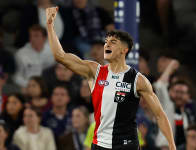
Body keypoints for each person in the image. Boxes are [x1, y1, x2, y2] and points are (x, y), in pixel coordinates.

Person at [46, 6, 176, 150]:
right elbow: (60, 56)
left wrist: (171, 144)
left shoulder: (138, 80)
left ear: (124, 50)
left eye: (112, 42)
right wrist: (50, 26)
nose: (106, 44)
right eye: (106, 41)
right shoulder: (94, 70)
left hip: (127, 145)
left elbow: (159, 114)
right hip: (100, 144)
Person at [13, 24, 55, 89]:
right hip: (28, 86)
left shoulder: (52, 52)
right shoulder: (21, 54)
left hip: (47, 86)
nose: (32, 39)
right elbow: (16, 76)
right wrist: (30, 86)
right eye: (31, 36)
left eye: (36, 36)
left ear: (44, 38)